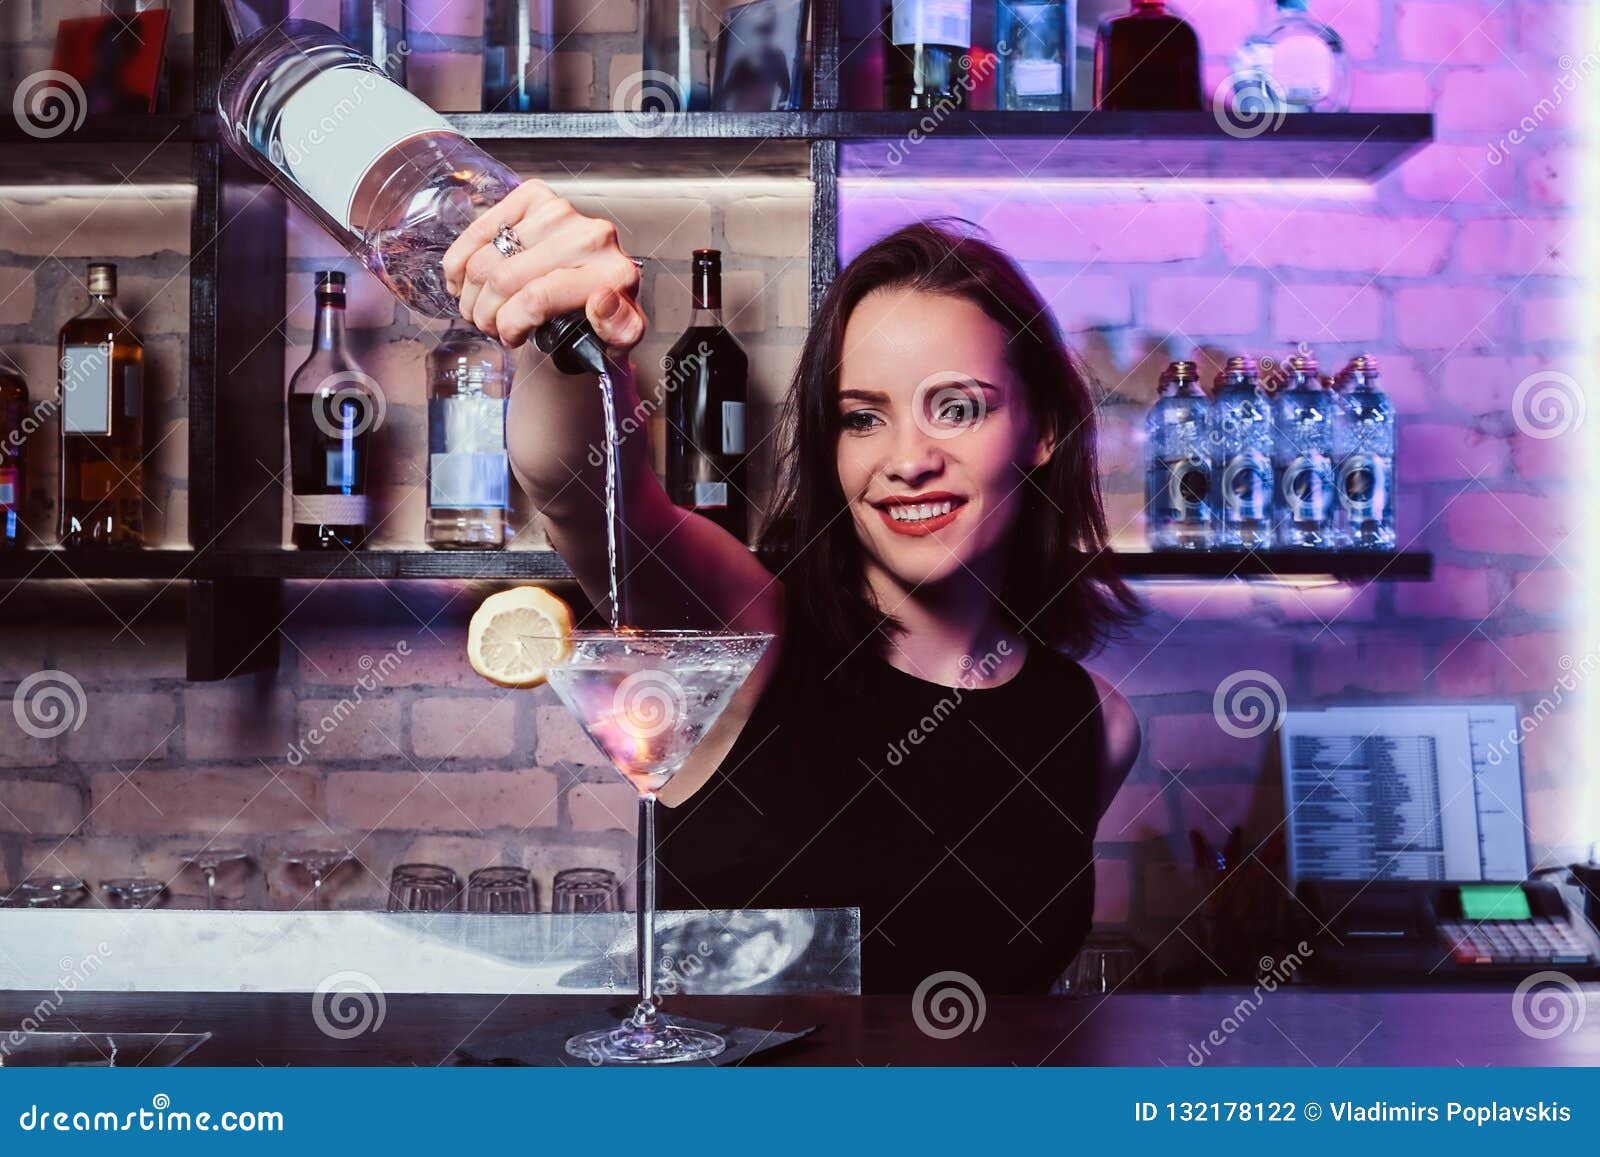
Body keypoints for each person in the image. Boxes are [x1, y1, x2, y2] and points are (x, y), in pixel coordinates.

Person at [444, 187, 1143, 995]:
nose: (908, 458)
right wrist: (568, 326)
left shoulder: (1096, 727)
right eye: (862, 418)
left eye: (956, 408)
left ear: (1043, 427)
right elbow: (580, 487)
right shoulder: (744, 630)